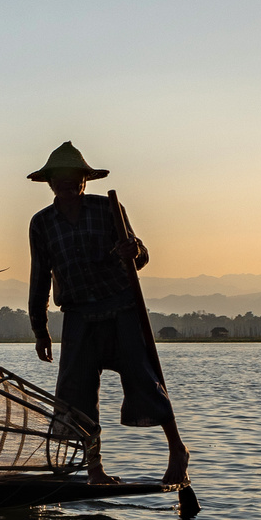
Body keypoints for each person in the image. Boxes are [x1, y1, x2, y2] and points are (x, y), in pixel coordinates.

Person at [26, 142, 190, 486]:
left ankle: (177, 448)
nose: (69, 185)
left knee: (145, 379)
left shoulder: (107, 209)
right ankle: (94, 469)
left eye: (76, 179)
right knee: (77, 394)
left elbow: (139, 257)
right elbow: (40, 276)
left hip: (120, 307)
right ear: (51, 183)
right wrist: (40, 330)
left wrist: (134, 250)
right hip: (78, 315)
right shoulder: (41, 223)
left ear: (85, 181)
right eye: (62, 180)